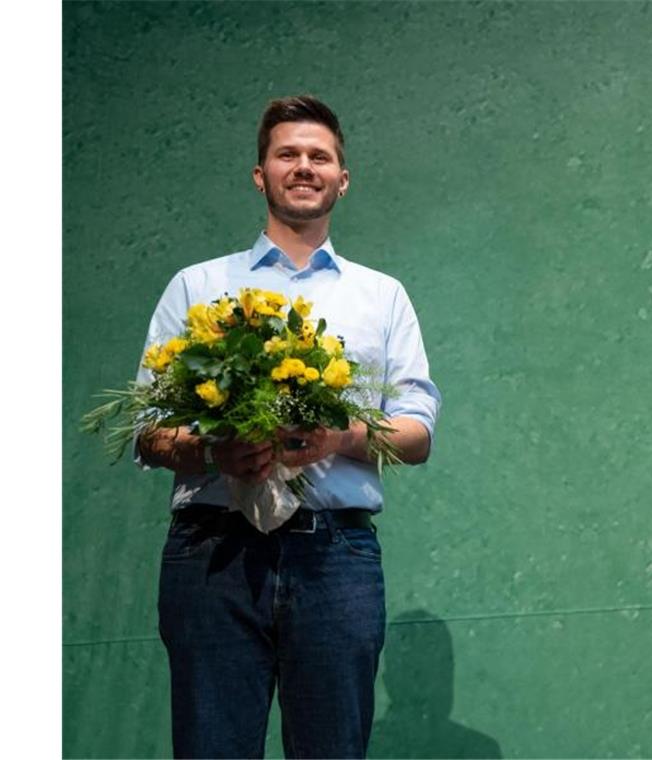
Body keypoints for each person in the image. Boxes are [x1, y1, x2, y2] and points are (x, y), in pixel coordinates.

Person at [135, 95, 441, 758]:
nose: (303, 166)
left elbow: (417, 431)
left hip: (336, 557)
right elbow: (148, 430)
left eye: (318, 156)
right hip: (213, 552)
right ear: (260, 174)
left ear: (342, 178)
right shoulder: (197, 287)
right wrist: (216, 449)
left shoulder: (380, 296)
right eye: (287, 154)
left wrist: (341, 437)